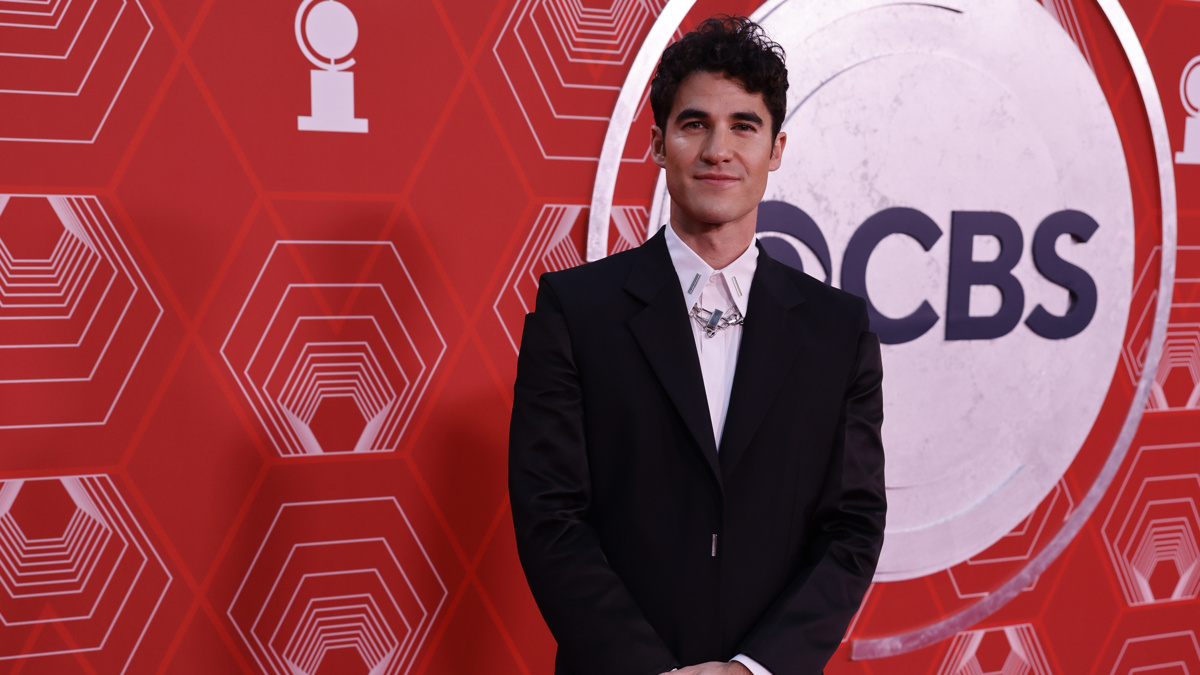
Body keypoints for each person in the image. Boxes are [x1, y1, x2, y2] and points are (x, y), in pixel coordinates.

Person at [509, 15, 886, 675]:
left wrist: (754, 667)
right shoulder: (575, 312)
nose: (719, 149)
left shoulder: (837, 329)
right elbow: (552, 519)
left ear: (776, 148)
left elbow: (851, 529)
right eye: (694, 124)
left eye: (744, 125)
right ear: (658, 144)